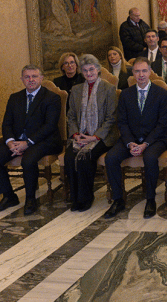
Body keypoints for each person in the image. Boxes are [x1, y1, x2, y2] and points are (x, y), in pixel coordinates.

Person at [104, 58, 167, 219]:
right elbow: (122, 122)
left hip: (156, 139)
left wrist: (145, 144)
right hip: (131, 138)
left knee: (149, 157)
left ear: (149, 72)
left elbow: (163, 124)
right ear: (133, 73)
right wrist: (130, 143)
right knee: (111, 158)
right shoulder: (126, 94)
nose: (141, 74)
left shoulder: (162, 94)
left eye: (144, 71)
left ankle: (150, 199)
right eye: (137, 71)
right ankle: (118, 199)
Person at [0, 65, 62, 215]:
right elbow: (6, 123)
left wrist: (27, 143)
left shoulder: (52, 98)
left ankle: (30, 199)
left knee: (28, 160)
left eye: (34, 76)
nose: (31, 79)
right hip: (16, 141)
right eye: (27, 77)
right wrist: (9, 142)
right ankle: (9, 196)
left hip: (44, 140)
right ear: (22, 79)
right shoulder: (15, 98)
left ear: (41, 78)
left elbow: (49, 126)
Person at [65, 54, 119, 212]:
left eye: (91, 69)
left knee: (84, 157)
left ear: (98, 69)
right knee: (70, 157)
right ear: (81, 72)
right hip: (80, 135)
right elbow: (71, 116)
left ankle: (86, 198)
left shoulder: (108, 88)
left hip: (102, 137)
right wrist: (76, 135)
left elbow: (111, 118)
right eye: (85, 70)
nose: (89, 73)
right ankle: (75, 198)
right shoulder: (75, 90)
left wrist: (94, 137)